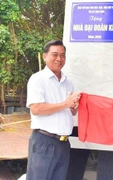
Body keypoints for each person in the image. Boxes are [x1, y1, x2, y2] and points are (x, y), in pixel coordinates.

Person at [26, 40, 81, 180]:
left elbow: (71, 111)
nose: (59, 59)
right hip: (44, 141)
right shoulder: (37, 79)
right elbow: (36, 108)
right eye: (54, 54)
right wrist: (65, 103)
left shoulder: (68, 82)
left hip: (63, 143)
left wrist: (75, 105)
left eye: (62, 55)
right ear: (45, 56)